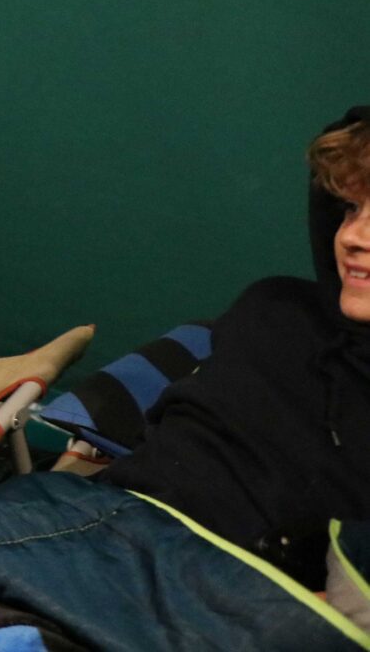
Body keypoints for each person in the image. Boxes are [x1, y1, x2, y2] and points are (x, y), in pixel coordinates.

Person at [99, 105, 370, 587]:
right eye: (350, 208)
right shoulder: (274, 309)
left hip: (223, 596)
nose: (351, 236)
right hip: (89, 529)